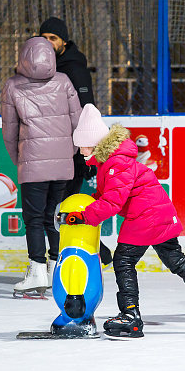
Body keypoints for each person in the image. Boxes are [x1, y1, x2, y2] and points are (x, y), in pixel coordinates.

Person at [64, 103, 185, 338]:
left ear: (93, 143)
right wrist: (90, 204)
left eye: (81, 145)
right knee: (175, 259)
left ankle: (130, 316)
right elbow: (111, 195)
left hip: (146, 216)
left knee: (123, 260)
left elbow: (114, 201)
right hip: (157, 213)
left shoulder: (115, 163)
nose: (79, 151)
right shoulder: (113, 162)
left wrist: (84, 217)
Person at [1, 37, 82, 297]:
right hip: (62, 164)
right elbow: (76, 120)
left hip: (33, 162)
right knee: (53, 218)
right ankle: (55, 268)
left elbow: (10, 130)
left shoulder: (12, 85)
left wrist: (19, 158)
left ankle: (36, 270)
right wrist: (70, 152)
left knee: (34, 219)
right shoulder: (63, 81)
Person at [40, 16, 112, 269]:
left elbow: (87, 110)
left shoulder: (73, 68)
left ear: (64, 42)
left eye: (53, 39)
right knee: (58, 208)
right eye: (45, 38)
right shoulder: (45, 67)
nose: (48, 43)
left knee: (62, 208)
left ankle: (84, 256)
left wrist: (85, 154)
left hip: (72, 152)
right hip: (53, 148)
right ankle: (93, 253)